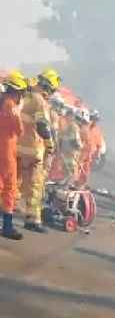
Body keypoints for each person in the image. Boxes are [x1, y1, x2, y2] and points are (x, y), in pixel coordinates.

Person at [17, 68, 61, 233]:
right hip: (33, 150)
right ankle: (32, 220)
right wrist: (50, 144)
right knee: (35, 186)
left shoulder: (24, 96)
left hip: (17, 147)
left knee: (15, 182)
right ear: (48, 87)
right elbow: (42, 125)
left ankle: (5, 212)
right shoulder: (40, 101)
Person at [0, 70, 28, 240]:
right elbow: (19, 129)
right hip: (7, 150)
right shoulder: (11, 105)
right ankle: (8, 226)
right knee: (10, 187)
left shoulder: (3, 101)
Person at [59, 107, 83, 184]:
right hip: (71, 152)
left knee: (66, 170)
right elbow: (75, 140)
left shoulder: (69, 126)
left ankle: (65, 183)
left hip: (65, 151)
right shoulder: (74, 127)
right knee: (70, 171)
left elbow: (62, 137)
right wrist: (79, 146)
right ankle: (67, 185)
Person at [76, 109, 93, 187]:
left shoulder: (84, 131)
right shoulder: (79, 128)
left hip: (80, 157)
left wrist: (81, 159)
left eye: (79, 120)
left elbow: (87, 148)